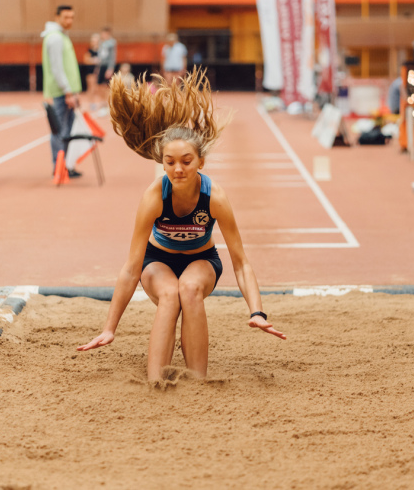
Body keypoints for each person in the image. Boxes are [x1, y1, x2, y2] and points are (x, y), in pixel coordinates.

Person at [77, 68, 285, 381]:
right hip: (157, 261)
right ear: (162, 163)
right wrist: (110, 328)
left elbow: (241, 263)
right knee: (170, 293)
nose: (178, 169)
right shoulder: (154, 197)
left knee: (188, 289)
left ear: (201, 162)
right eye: (170, 163)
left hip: (201, 260)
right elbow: (132, 267)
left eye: (186, 161)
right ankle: (156, 382)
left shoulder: (214, 196)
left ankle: (197, 381)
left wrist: (256, 312)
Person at [41, 5, 83, 178]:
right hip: (60, 93)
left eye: (72, 17)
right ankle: (58, 166)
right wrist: (67, 91)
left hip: (67, 92)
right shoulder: (55, 38)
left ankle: (64, 165)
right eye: (66, 17)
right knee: (59, 131)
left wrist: (73, 91)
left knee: (67, 131)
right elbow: (57, 69)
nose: (69, 21)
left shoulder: (62, 36)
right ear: (57, 17)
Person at [94, 26, 116, 114]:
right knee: (100, 86)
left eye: (103, 33)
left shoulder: (112, 43)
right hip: (101, 65)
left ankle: (107, 105)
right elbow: (100, 56)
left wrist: (110, 68)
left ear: (107, 33)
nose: (102, 35)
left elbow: (113, 57)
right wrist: (98, 68)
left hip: (107, 66)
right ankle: (102, 104)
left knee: (107, 87)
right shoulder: (102, 43)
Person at [83, 33, 100, 111]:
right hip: (90, 72)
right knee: (91, 88)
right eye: (93, 41)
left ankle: (97, 103)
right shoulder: (89, 51)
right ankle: (91, 103)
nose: (94, 42)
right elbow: (86, 60)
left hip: (98, 72)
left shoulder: (100, 51)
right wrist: (94, 61)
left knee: (98, 88)